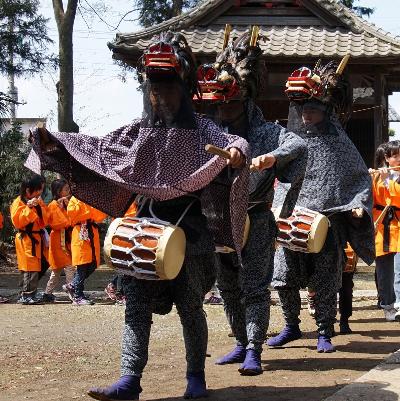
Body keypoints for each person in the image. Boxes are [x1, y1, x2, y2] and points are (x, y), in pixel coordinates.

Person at [26, 31, 249, 400]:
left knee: (190, 307)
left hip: (189, 231)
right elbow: (97, 149)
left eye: (167, 89)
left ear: (183, 89)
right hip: (145, 225)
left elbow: (234, 143)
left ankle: (196, 378)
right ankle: (129, 379)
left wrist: (238, 151)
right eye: (154, 89)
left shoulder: (201, 131)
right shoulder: (138, 130)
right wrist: (58, 144)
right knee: (137, 307)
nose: (159, 97)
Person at [196, 27, 307, 375]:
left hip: (256, 219)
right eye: (221, 103)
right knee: (227, 285)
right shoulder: (208, 129)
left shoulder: (266, 131)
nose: (225, 109)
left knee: (255, 285)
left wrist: (272, 157)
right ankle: (241, 342)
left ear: (245, 99)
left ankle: (255, 349)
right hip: (217, 219)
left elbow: (297, 146)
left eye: (231, 102)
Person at [254, 59, 375, 353]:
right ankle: (291, 326)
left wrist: (358, 205)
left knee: (325, 280)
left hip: (327, 222)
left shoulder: (341, 144)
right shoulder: (290, 142)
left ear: (325, 112)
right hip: (290, 221)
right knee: (283, 278)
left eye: (313, 110)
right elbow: (277, 172)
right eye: (303, 110)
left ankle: (324, 331)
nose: (307, 114)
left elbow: (359, 178)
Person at [371, 141, 400, 321]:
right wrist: (370, 177)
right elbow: (368, 197)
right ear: (387, 158)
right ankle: (388, 305)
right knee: (384, 269)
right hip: (381, 226)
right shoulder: (376, 176)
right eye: (395, 156)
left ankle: (399, 304)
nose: (399, 159)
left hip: (399, 224)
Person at [10, 174, 49, 305]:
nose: (40, 192)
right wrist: (29, 207)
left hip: (37, 238)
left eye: (41, 189)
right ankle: (26, 295)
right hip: (26, 238)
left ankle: (30, 292)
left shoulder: (39, 201)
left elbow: (45, 219)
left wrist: (37, 206)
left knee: (38, 266)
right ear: (28, 190)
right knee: (28, 267)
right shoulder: (18, 202)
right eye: (38, 189)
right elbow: (18, 222)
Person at [63, 196, 107, 306]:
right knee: (82, 266)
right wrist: (83, 204)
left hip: (91, 232)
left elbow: (99, 216)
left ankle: (72, 285)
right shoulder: (74, 200)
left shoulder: (92, 198)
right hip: (80, 234)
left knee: (93, 264)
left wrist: (91, 205)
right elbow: (72, 214)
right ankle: (78, 295)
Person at [42, 179, 75, 303]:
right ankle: (72, 293)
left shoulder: (67, 203)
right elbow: (57, 224)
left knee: (58, 270)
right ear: (58, 191)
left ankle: (47, 293)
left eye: (68, 189)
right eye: (66, 189)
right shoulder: (53, 205)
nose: (68, 191)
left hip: (65, 239)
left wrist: (66, 207)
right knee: (65, 267)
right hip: (58, 240)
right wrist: (62, 208)